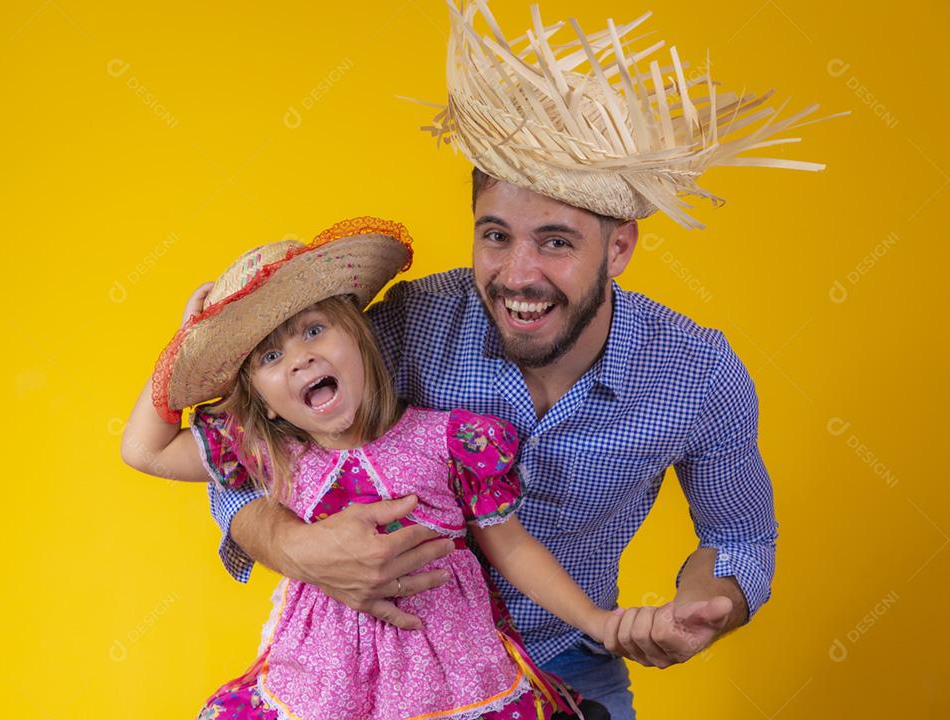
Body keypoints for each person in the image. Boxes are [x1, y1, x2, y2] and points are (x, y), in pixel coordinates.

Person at [203, 3, 842, 718]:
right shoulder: (407, 326)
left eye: (557, 242)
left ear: (620, 248)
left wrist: (701, 608)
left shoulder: (697, 375)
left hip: (568, 662)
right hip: (392, 679)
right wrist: (295, 549)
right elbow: (247, 446)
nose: (518, 274)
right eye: (496, 235)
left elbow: (740, 539)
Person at [122, 216, 618, 719]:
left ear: (360, 339)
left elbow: (511, 548)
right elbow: (144, 452)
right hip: (324, 687)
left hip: (452, 679)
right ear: (265, 403)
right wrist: (185, 342)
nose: (300, 358)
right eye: (271, 356)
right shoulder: (271, 454)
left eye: (314, 330)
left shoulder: (451, 441)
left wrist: (598, 622)